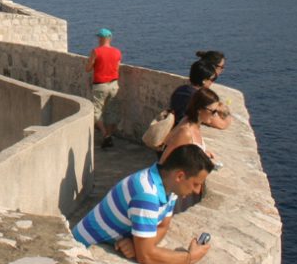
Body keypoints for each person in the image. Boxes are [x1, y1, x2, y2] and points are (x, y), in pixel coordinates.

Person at [72, 145, 214, 264]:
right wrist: (189, 257)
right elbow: (146, 257)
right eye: (196, 184)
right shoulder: (147, 194)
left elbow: (163, 226)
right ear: (179, 176)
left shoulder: (168, 187)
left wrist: (136, 244)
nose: (197, 191)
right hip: (77, 253)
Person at [85, 28, 122, 149]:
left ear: (101, 38)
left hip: (100, 85)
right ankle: (109, 135)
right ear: (110, 39)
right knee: (111, 111)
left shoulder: (96, 51)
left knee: (96, 111)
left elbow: (88, 68)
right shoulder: (117, 52)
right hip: (114, 85)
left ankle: (105, 134)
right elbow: (117, 68)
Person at [169, 61, 217, 125]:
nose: (212, 82)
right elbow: (220, 124)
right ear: (204, 81)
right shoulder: (199, 97)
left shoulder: (180, 89)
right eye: (212, 79)